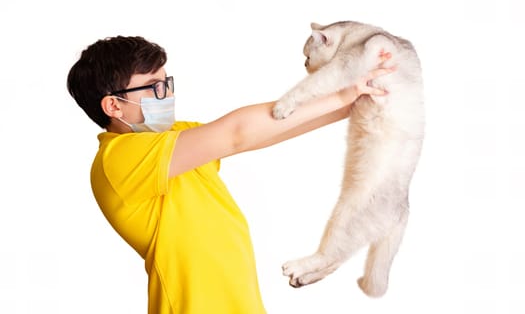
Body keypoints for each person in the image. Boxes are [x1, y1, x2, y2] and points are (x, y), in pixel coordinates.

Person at [67, 35, 394, 314]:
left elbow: (265, 133)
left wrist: (353, 102)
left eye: (167, 83)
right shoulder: (119, 157)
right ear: (113, 106)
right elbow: (237, 133)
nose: (166, 94)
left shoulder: (177, 140)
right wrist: (342, 94)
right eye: (153, 87)